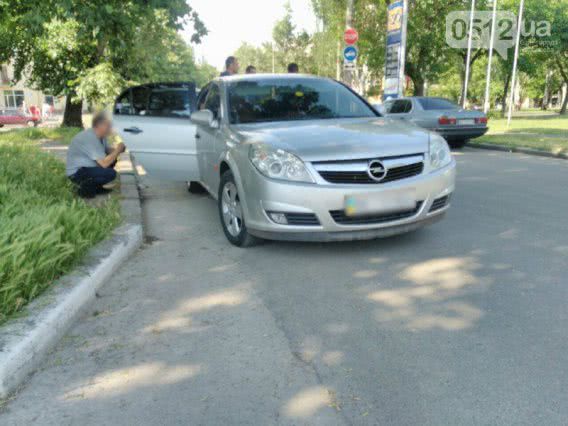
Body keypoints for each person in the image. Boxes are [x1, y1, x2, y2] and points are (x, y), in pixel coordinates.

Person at [66, 112, 126, 198]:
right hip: (77, 173)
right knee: (110, 173)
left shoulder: (101, 135)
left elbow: (107, 150)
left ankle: (96, 187)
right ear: (99, 124)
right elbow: (104, 164)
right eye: (108, 125)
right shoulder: (90, 137)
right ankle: (83, 189)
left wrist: (119, 149)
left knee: (112, 159)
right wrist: (117, 150)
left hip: (85, 169)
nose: (111, 128)